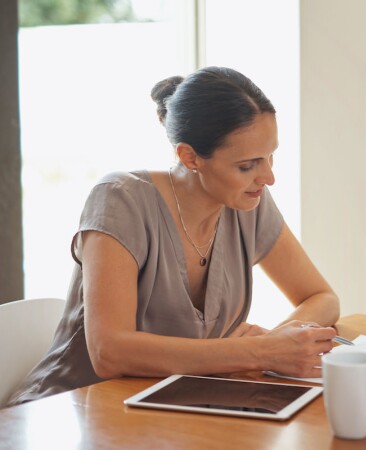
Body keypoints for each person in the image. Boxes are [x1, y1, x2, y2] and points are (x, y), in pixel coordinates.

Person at [9, 67, 340, 405]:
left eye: (271, 156)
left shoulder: (248, 204)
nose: (268, 177)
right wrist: (255, 352)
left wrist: (277, 341)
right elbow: (109, 352)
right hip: (66, 412)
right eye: (247, 165)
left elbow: (322, 298)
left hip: (171, 412)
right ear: (189, 156)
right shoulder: (120, 199)